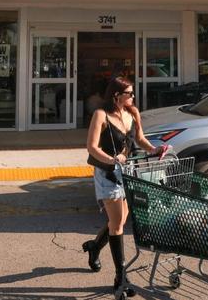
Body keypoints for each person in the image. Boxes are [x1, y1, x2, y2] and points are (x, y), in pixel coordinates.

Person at [83, 76, 166, 296]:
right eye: (129, 93)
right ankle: (121, 276)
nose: (133, 97)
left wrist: (154, 149)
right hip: (107, 173)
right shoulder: (101, 115)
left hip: (126, 172)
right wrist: (111, 160)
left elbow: (139, 138)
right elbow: (91, 147)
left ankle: (94, 247)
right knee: (118, 223)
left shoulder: (132, 113)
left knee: (116, 220)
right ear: (116, 95)